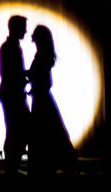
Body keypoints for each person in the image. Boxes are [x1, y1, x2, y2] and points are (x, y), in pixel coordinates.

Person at [27, 25, 77, 175]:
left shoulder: (41, 56)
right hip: (42, 97)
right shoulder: (45, 55)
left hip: (40, 99)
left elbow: (41, 78)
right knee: (51, 131)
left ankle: (43, 165)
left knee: (42, 133)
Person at [0, 15, 29, 174]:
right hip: (13, 95)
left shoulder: (9, 46)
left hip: (11, 93)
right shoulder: (10, 48)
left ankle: (12, 166)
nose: (26, 31)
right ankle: (12, 167)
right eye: (24, 27)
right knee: (17, 131)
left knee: (15, 131)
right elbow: (9, 73)